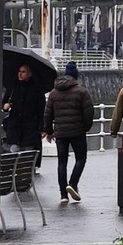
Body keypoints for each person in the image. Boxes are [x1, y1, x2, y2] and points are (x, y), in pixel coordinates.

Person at [43, 60, 95, 204]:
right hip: (78, 132)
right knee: (81, 159)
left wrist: (49, 131)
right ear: (75, 76)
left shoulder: (54, 93)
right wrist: (85, 127)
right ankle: (72, 183)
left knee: (62, 163)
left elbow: (47, 115)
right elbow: (89, 112)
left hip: (60, 133)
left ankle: (63, 195)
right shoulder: (82, 92)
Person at [2, 62, 45, 158]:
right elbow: (4, 102)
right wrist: (5, 106)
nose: (20, 74)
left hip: (29, 129)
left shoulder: (36, 90)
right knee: (13, 154)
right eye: (19, 71)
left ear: (30, 74)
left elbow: (41, 110)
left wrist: (41, 128)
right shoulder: (13, 88)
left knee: (28, 155)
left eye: (23, 72)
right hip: (14, 128)